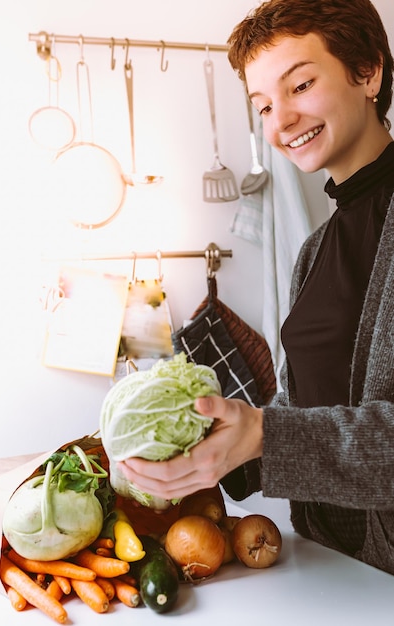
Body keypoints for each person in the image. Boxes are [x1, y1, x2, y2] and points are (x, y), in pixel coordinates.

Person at [118, 0, 394, 575]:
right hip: (331, 568)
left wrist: (266, 433)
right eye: (264, 105)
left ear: (368, 71)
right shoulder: (315, 249)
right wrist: (219, 446)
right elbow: (308, 407)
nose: (280, 121)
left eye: (301, 85)